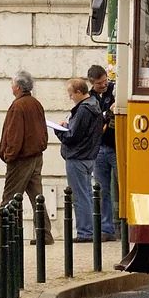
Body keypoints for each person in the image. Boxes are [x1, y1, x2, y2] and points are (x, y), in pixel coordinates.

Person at [0, 70, 53, 244]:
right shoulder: (35, 103)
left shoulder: (18, 106)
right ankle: (44, 234)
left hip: (21, 159)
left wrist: (9, 155)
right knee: (37, 196)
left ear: (17, 87)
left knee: (9, 198)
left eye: (12, 84)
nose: (11, 86)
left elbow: (14, 134)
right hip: (36, 156)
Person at [55, 78, 105, 242]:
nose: (70, 97)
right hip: (89, 155)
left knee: (80, 196)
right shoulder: (94, 104)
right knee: (87, 194)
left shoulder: (84, 110)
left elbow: (72, 135)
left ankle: (85, 231)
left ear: (78, 92)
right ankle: (89, 229)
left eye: (71, 94)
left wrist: (59, 130)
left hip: (78, 156)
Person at [87, 65, 118, 240]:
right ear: (92, 83)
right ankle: (107, 229)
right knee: (102, 190)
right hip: (99, 149)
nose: (104, 85)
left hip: (116, 146)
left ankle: (126, 227)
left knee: (123, 187)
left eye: (105, 81)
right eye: (99, 83)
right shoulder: (90, 98)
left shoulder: (114, 90)